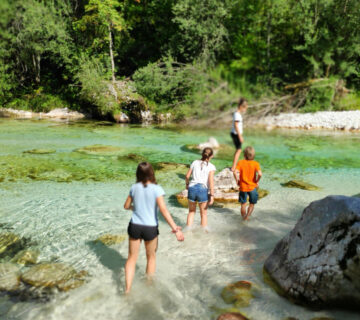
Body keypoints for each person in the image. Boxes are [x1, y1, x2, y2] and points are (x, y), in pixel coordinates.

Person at [123, 162, 184, 294]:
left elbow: (126, 206)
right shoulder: (157, 189)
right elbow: (163, 210)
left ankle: (127, 290)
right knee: (151, 257)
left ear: (138, 174)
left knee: (131, 258)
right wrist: (175, 229)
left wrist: (135, 208)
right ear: (151, 173)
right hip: (150, 228)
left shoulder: (134, 188)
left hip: (135, 226)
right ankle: (148, 287)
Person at [185, 148, 216, 230]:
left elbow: (187, 176)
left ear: (202, 154)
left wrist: (187, 184)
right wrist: (212, 195)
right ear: (211, 156)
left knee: (191, 212)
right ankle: (203, 234)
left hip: (192, 188)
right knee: (203, 214)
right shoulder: (211, 167)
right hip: (202, 189)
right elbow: (211, 182)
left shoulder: (194, 162)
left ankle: (188, 230)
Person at [233, 146, 262, 220]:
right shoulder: (256, 163)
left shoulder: (241, 162)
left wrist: (237, 181)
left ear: (244, 155)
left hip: (243, 187)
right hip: (252, 187)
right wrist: (257, 181)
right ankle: (247, 217)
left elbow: (235, 172)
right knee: (252, 204)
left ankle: (243, 217)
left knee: (243, 204)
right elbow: (260, 174)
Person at [230, 98, 248, 172]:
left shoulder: (237, 114)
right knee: (239, 150)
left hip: (236, 133)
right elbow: (236, 125)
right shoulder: (237, 114)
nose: (245, 110)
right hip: (236, 134)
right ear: (241, 106)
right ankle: (234, 167)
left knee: (239, 150)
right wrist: (240, 136)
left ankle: (234, 165)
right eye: (245, 108)